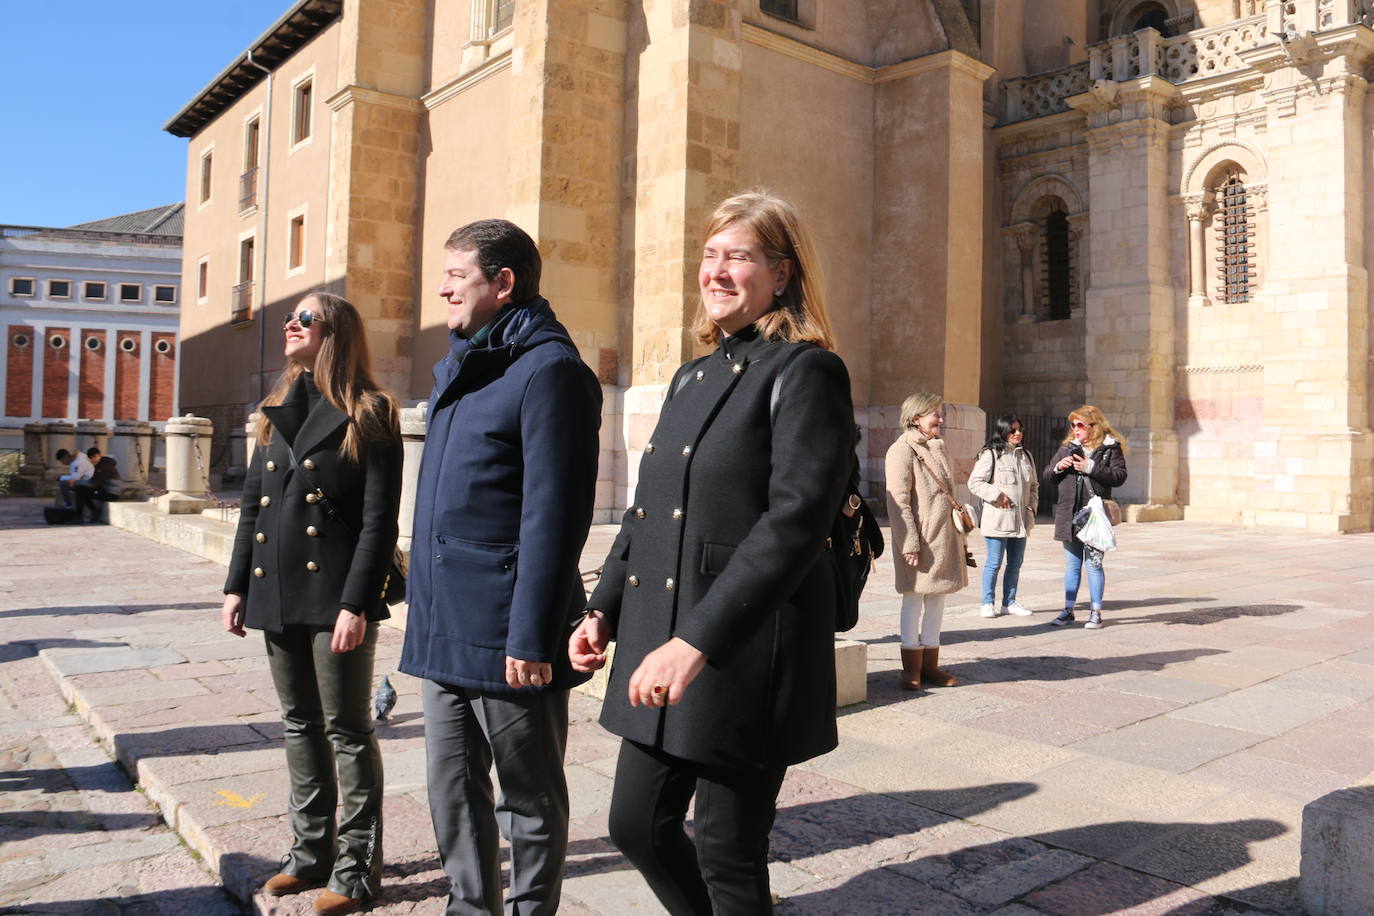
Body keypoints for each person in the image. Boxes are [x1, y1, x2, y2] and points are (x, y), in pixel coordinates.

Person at [569, 192, 855, 915]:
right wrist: (601, 608)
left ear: (782, 274)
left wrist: (694, 642)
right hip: (660, 637)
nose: (719, 270)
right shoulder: (690, 376)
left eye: (741, 256)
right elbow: (646, 511)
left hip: (744, 651)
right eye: (710, 254)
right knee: (634, 825)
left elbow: (795, 522)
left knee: (729, 853)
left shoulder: (806, 372)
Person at [399, 219, 602, 916]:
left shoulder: (551, 372)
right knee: (450, 786)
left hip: (508, 628)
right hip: (444, 621)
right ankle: (470, 907)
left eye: (457, 274)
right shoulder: (462, 364)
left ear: (503, 282)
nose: (443, 288)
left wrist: (530, 633)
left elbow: (555, 515)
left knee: (529, 796)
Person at [221, 291, 402, 916]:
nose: (289, 326)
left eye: (304, 319)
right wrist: (237, 583)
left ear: (335, 334)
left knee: (348, 730)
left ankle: (357, 870)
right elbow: (254, 506)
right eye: (290, 319)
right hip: (275, 589)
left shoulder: (368, 411)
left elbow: (379, 522)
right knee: (299, 724)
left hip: (335, 598)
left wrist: (358, 602)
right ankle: (308, 854)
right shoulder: (274, 412)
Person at [884, 393, 968, 690]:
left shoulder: (939, 447)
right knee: (913, 597)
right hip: (919, 539)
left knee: (938, 598)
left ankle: (931, 666)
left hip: (944, 538)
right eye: (934, 413)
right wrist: (909, 541)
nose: (940, 419)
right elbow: (898, 501)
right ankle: (911, 669)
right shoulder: (901, 450)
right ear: (916, 417)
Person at [1044, 405, 1128, 630]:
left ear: (1094, 426)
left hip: (1094, 517)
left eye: (1080, 424)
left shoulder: (1110, 448)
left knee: (1094, 565)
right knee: (1072, 566)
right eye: (1072, 425)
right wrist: (1059, 468)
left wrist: (1091, 467)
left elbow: (1119, 476)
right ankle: (1068, 610)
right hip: (1069, 514)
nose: (1075, 429)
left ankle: (1095, 612)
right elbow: (1047, 475)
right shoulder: (1067, 448)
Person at [967, 414, 1038, 618]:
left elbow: (1034, 486)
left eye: (1020, 429)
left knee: (1015, 563)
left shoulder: (1026, 456)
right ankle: (987, 602)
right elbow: (975, 482)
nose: (1018, 433)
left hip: (1021, 521)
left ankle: (1010, 602)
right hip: (998, 519)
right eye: (1013, 430)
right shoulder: (991, 454)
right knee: (994, 562)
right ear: (1003, 431)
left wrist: (1032, 507)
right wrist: (997, 495)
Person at [75, 454, 122, 523]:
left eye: (92, 458)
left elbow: (95, 483)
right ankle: (93, 510)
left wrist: (78, 482)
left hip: (111, 495)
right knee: (82, 490)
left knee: (80, 490)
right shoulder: (106, 466)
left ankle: (80, 516)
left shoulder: (104, 467)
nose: (91, 461)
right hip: (110, 493)